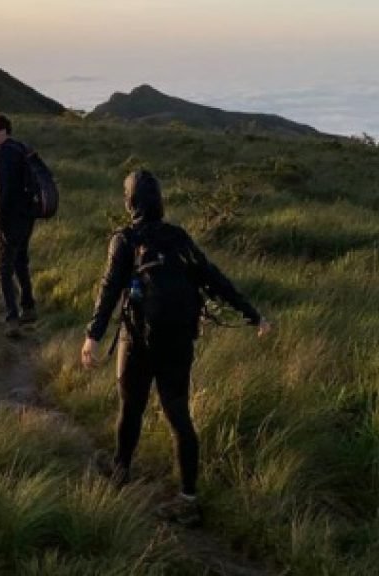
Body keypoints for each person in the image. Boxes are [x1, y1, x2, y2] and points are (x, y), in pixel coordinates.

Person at [81, 170, 271, 526]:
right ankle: (188, 499)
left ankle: (121, 470)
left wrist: (93, 335)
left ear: (130, 201)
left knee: (131, 407)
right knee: (179, 415)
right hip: (178, 340)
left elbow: (109, 289)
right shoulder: (178, 237)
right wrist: (253, 315)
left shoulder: (124, 239)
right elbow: (214, 278)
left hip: (137, 340)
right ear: (159, 200)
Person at [0, 112, 38, 337]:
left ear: (4, 131)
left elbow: (4, 192)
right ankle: (29, 307)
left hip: (12, 219)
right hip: (28, 215)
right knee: (20, 261)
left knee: (4, 269)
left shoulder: (0, 153)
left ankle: (12, 319)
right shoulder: (19, 147)